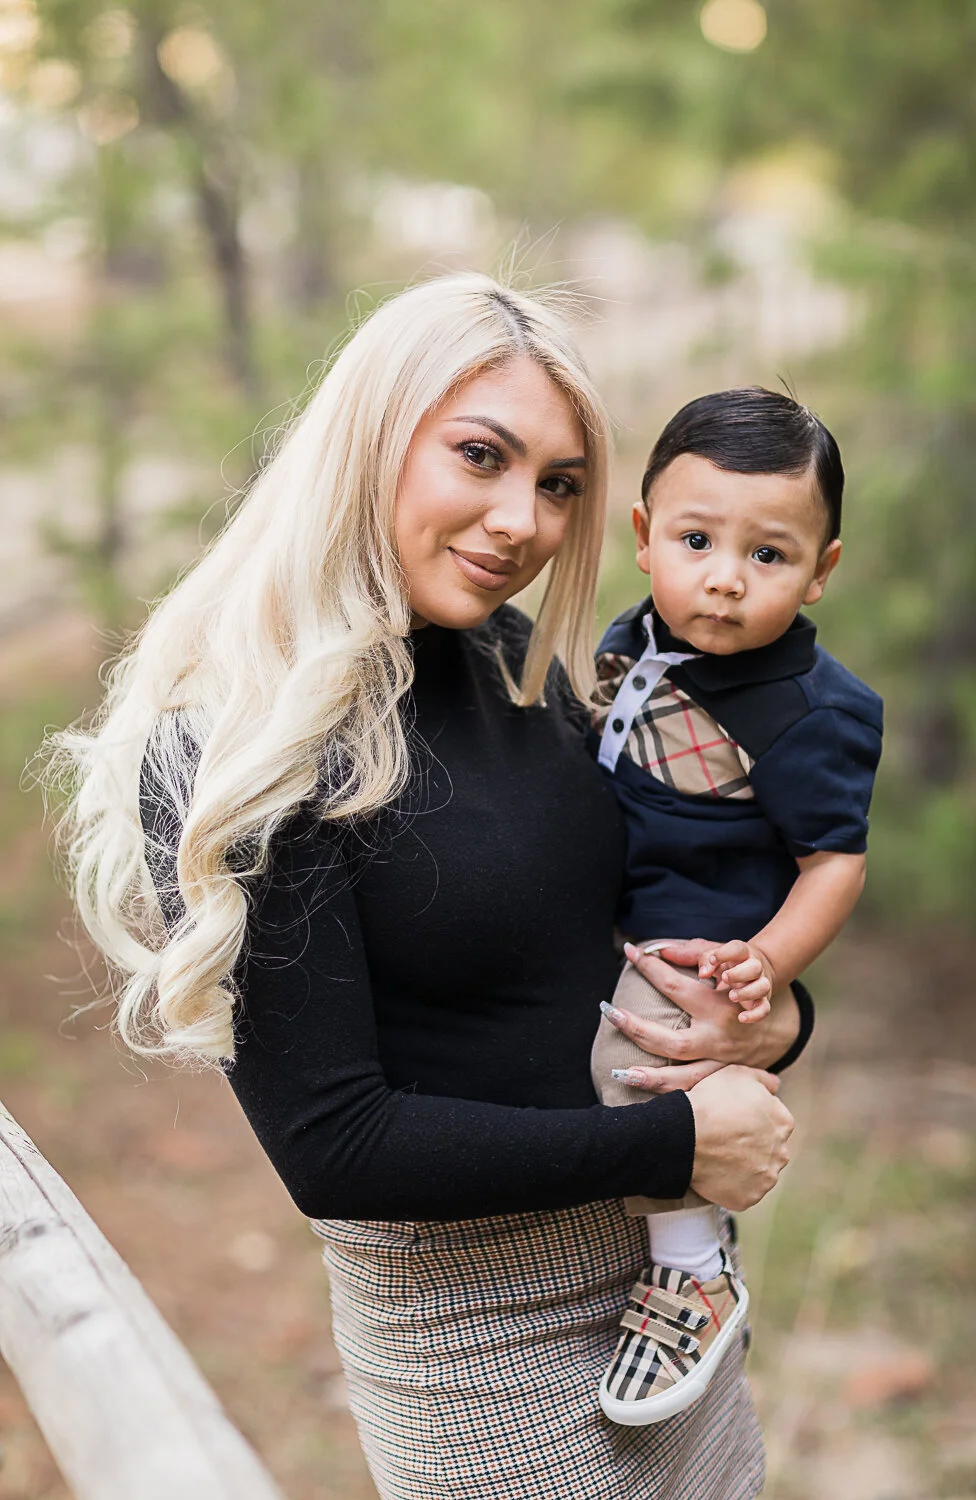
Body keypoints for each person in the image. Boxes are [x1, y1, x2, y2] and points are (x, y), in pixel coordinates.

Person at [47, 276, 803, 1500]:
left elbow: (642, 919)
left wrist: (769, 1013)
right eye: (479, 456)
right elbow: (335, 1146)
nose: (521, 520)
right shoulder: (239, 746)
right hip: (477, 1353)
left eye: (559, 484)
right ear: (371, 439)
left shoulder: (523, 672)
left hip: (674, 1301)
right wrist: (674, 1138)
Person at [590, 388, 883, 1427]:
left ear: (820, 570)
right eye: (696, 539)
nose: (722, 577)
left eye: (768, 555)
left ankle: (691, 1270)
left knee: (632, 1061)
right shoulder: (635, 637)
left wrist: (765, 963)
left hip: (697, 936)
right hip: (610, 899)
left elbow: (834, 863)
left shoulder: (809, 712)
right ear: (643, 537)